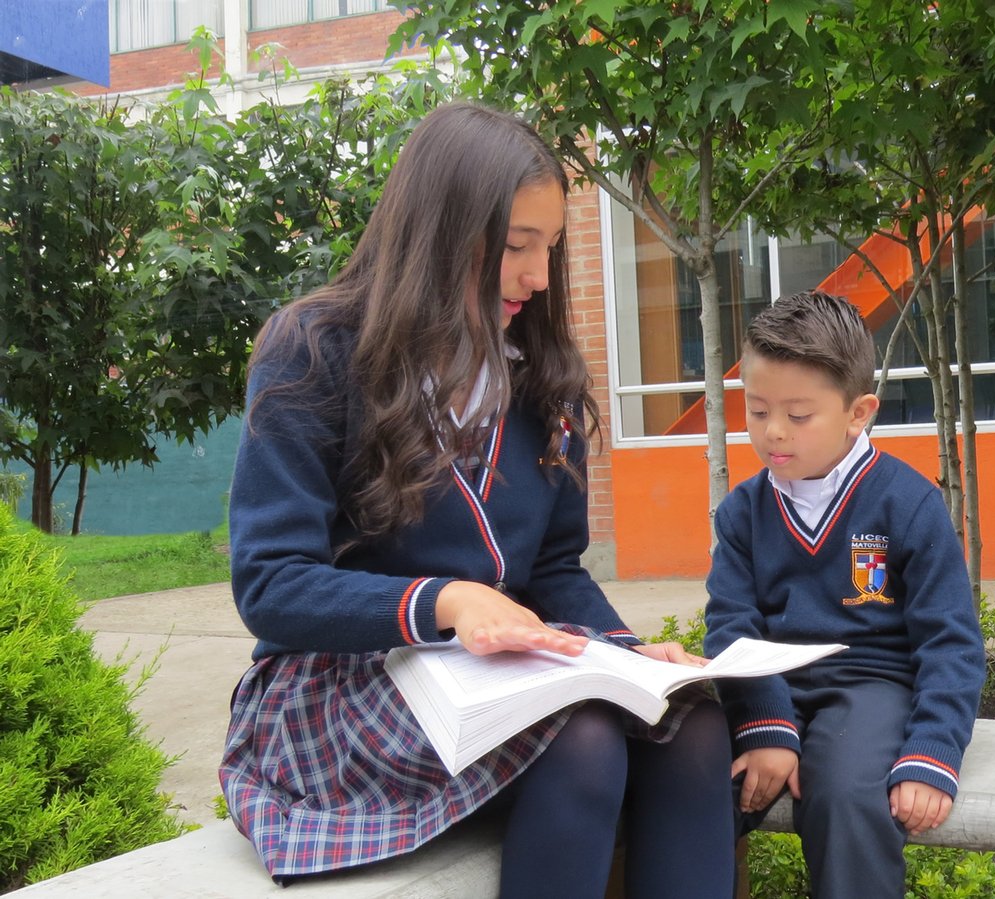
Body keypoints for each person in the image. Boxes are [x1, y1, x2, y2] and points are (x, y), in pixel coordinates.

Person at [220, 101, 734, 897]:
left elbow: (556, 567)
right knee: (588, 738)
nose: (537, 274)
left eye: (550, 248)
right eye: (517, 246)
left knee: (691, 724)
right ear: (441, 234)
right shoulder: (314, 351)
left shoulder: (538, 371)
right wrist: (447, 600)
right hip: (342, 684)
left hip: (493, 678)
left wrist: (628, 656)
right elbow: (271, 583)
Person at [704, 290, 987, 899]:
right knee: (690, 787)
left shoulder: (907, 503)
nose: (773, 431)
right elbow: (732, 629)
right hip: (769, 681)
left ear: (859, 412)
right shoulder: (742, 513)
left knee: (849, 792)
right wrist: (767, 724)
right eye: (756, 411)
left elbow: (952, 642)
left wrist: (932, 752)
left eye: (798, 415)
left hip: (872, 686)